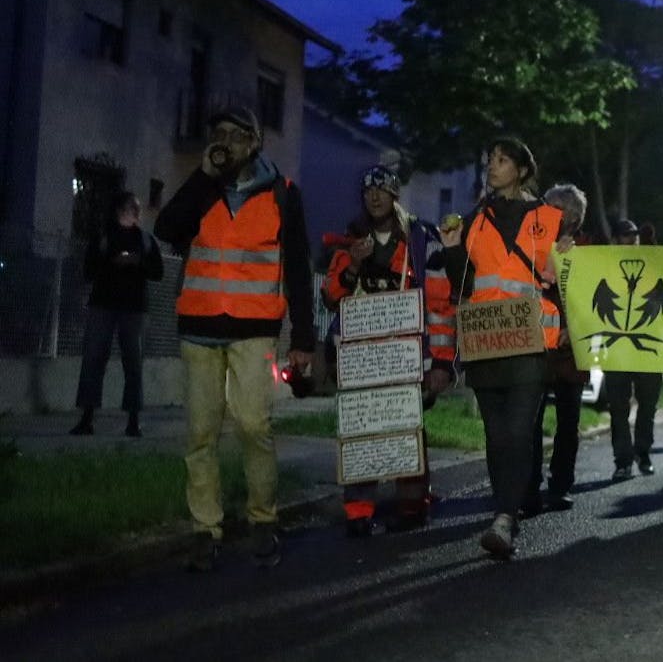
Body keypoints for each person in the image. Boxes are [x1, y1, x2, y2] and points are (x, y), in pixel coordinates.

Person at [154, 107, 316, 572]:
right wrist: (204, 176)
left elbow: (300, 269)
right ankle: (205, 530)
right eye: (218, 133)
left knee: (253, 426)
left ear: (256, 142)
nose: (225, 140)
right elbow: (166, 230)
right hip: (200, 328)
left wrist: (302, 338)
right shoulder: (203, 189)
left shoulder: (283, 194)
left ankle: (263, 520)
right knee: (200, 434)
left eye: (236, 134)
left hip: (253, 330)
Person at [440, 137, 564, 559]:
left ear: (523, 170)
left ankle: (505, 518)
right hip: (485, 342)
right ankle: (504, 512)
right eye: (489, 159)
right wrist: (453, 249)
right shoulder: (476, 218)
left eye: (502, 160)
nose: (492, 166)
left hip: (529, 342)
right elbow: (462, 287)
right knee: (496, 435)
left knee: (517, 430)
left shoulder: (548, 219)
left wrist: (567, 264)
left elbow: (563, 282)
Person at [320, 165, 456, 536]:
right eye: (368, 192)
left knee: (406, 425)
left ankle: (412, 504)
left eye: (382, 190)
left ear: (395, 195)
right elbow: (332, 297)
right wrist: (355, 265)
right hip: (361, 357)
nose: (374, 197)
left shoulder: (421, 241)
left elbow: (441, 305)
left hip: (405, 356)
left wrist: (442, 362)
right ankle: (359, 510)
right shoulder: (351, 241)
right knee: (360, 426)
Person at [71, 191, 164, 438]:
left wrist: (138, 263)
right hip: (104, 305)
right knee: (93, 360)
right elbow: (89, 270)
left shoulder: (145, 240)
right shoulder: (104, 237)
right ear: (121, 212)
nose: (134, 214)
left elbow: (158, 272)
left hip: (132, 309)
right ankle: (87, 418)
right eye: (131, 210)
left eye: (135, 210)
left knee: (132, 363)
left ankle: (132, 420)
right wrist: (113, 263)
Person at [527, 183, 588, 515]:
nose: (545, 212)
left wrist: (573, 328)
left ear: (572, 217)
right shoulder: (533, 243)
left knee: (568, 421)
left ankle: (561, 485)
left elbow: (591, 301)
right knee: (531, 421)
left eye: (554, 208)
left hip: (569, 351)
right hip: (537, 345)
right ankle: (529, 488)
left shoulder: (587, 251)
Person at [604, 217, 662, 482]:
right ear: (615, 240)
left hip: (648, 349)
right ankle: (623, 460)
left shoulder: (651, 264)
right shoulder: (602, 266)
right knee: (618, 407)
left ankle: (643, 452)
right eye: (627, 236)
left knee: (648, 405)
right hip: (616, 349)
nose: (633, 240)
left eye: (635, 236)